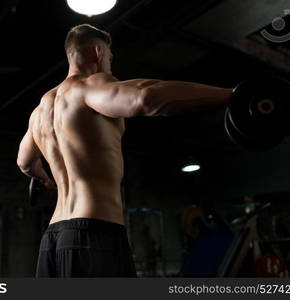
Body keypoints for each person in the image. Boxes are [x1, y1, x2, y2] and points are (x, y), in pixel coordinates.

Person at [16, 24, 232, 277]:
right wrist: (230, 94)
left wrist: (44, 179)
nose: (109, 63)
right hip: (93, 233)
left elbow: (25, 162)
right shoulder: (89, 86)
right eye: (109, 56)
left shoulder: (40, 111)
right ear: (98, 51)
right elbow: (145, 98)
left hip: (52, 240)